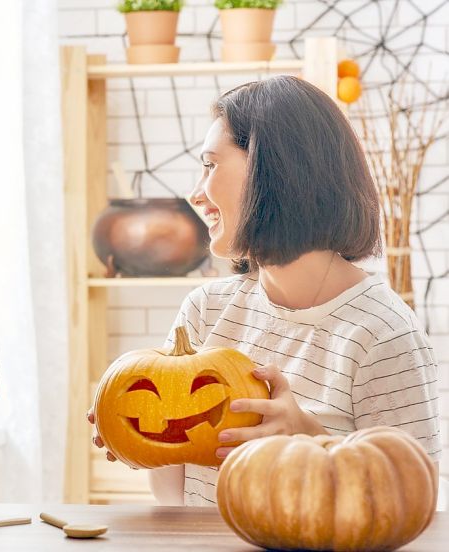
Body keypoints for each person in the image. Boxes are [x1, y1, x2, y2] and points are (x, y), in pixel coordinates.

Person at [91, 76, 440, 506]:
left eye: (210, 164)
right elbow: (172, 475)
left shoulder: (382, 335)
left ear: (273, 171)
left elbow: (413, 500)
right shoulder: (207, 309)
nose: (195, 194)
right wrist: (135, 438)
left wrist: (309, 436)